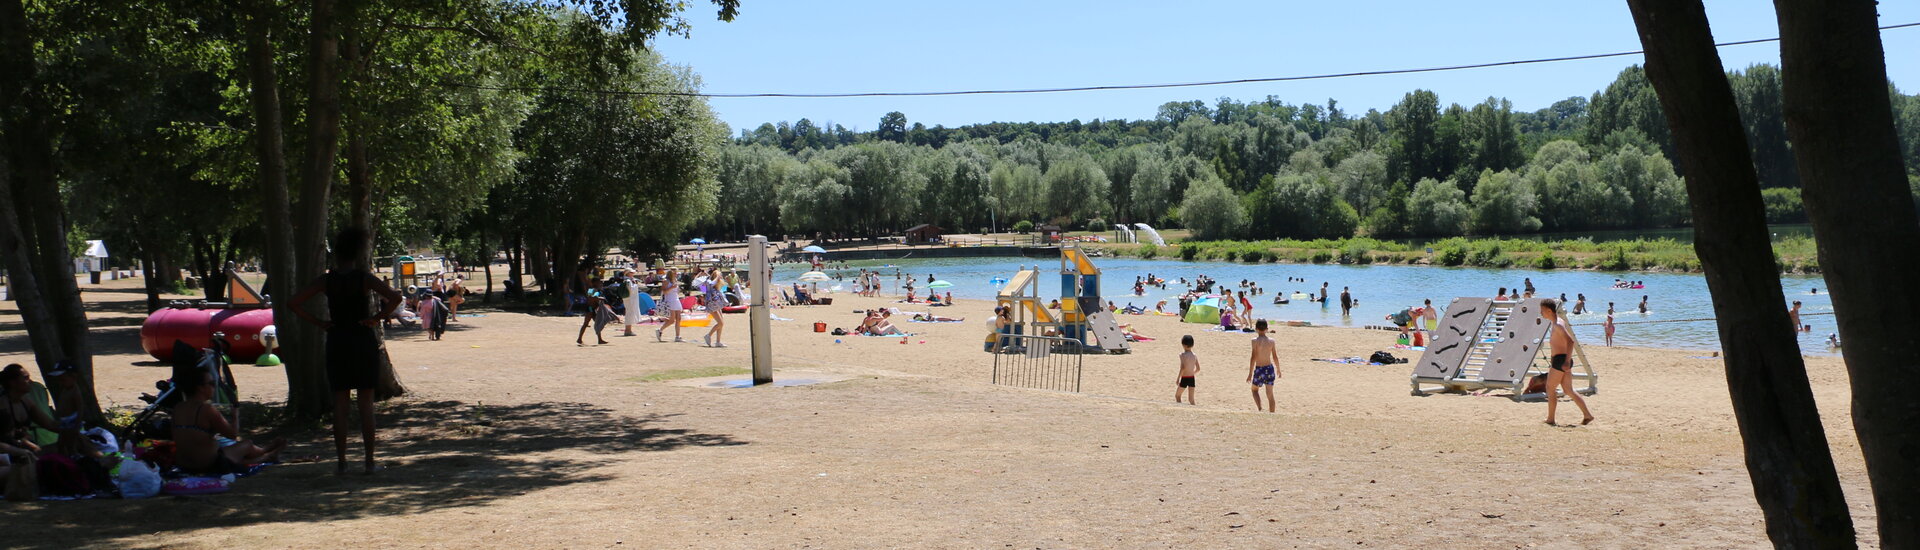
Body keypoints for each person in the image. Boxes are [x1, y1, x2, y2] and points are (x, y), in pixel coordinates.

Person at [288, 227, 402, 475]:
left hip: (337, 338)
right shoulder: (364, 278)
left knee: (340, 404)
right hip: (362, 339)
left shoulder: (327, 280)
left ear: (336, 254)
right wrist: (377, 318)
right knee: (365, 404)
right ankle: (369, 462)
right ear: (358, 253)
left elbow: (293, 303)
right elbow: (395, 298)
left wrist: (320, 323)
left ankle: (341, 462)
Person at [171, 369, 285, 475]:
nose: (214, 387)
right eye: (211, 383)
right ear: (200, 388)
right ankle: (266, 455)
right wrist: (235, 415)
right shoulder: (206, 409)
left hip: (184, 463)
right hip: (208, 463)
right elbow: (232, 435)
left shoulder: (178, 408)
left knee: (232, 451)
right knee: (247, 444)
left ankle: (265, 451)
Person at [1540, 301, 1595, 426]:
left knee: (1550, 388)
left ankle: (1551, 419)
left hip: (1561, 360)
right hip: (1562, 360)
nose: (1541, 313)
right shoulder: (1556, 322)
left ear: (1549, 310)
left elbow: (1570, 342)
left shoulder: (1558, 324)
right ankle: (1587, 415)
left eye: (1542, 310)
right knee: (1568, 390)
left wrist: (1566, 361)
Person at [1246, 319, 1280, 413]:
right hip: (1269, 368)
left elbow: (1253, 358)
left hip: (1259, 369)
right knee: (1270, 394)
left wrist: (1250, 374)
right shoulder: (1271, 341)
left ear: (1256, 329)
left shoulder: (1254, 341)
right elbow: (1275, 357)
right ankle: (1272, 413)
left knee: (1254, 390)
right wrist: (1278, 369)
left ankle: (1260, 409)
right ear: (1267, 329)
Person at [657, 270, 685, 342]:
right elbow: (664, 291)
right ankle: (660, 330)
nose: (676, 274)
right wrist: (672, 287)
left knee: (678, 318)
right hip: (670, 300)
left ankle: (677, 336)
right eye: (675, 273)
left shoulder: (675, 280)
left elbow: (676, 291)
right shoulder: (666, 281)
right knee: (672, 320)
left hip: (676, 299)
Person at [702, 278, 728, 348]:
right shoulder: (709, 283)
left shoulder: (714, 287)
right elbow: (703, 290)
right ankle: (708, 335)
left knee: (721, 323)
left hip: (716, 305)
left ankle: (718, 341)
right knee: (720, 323)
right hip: (712, 305)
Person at [1176, 335, 1199, 405]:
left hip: (1185, 378)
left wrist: (1178, 378)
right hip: (1192, 378)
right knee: (1191, 399)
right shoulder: (1194, 355)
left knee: (1178, 395)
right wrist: (1192, 373)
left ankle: (1180, 408)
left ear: (1183, 345)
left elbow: (1183, 368)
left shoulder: (1182, 355)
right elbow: (1198, 369)